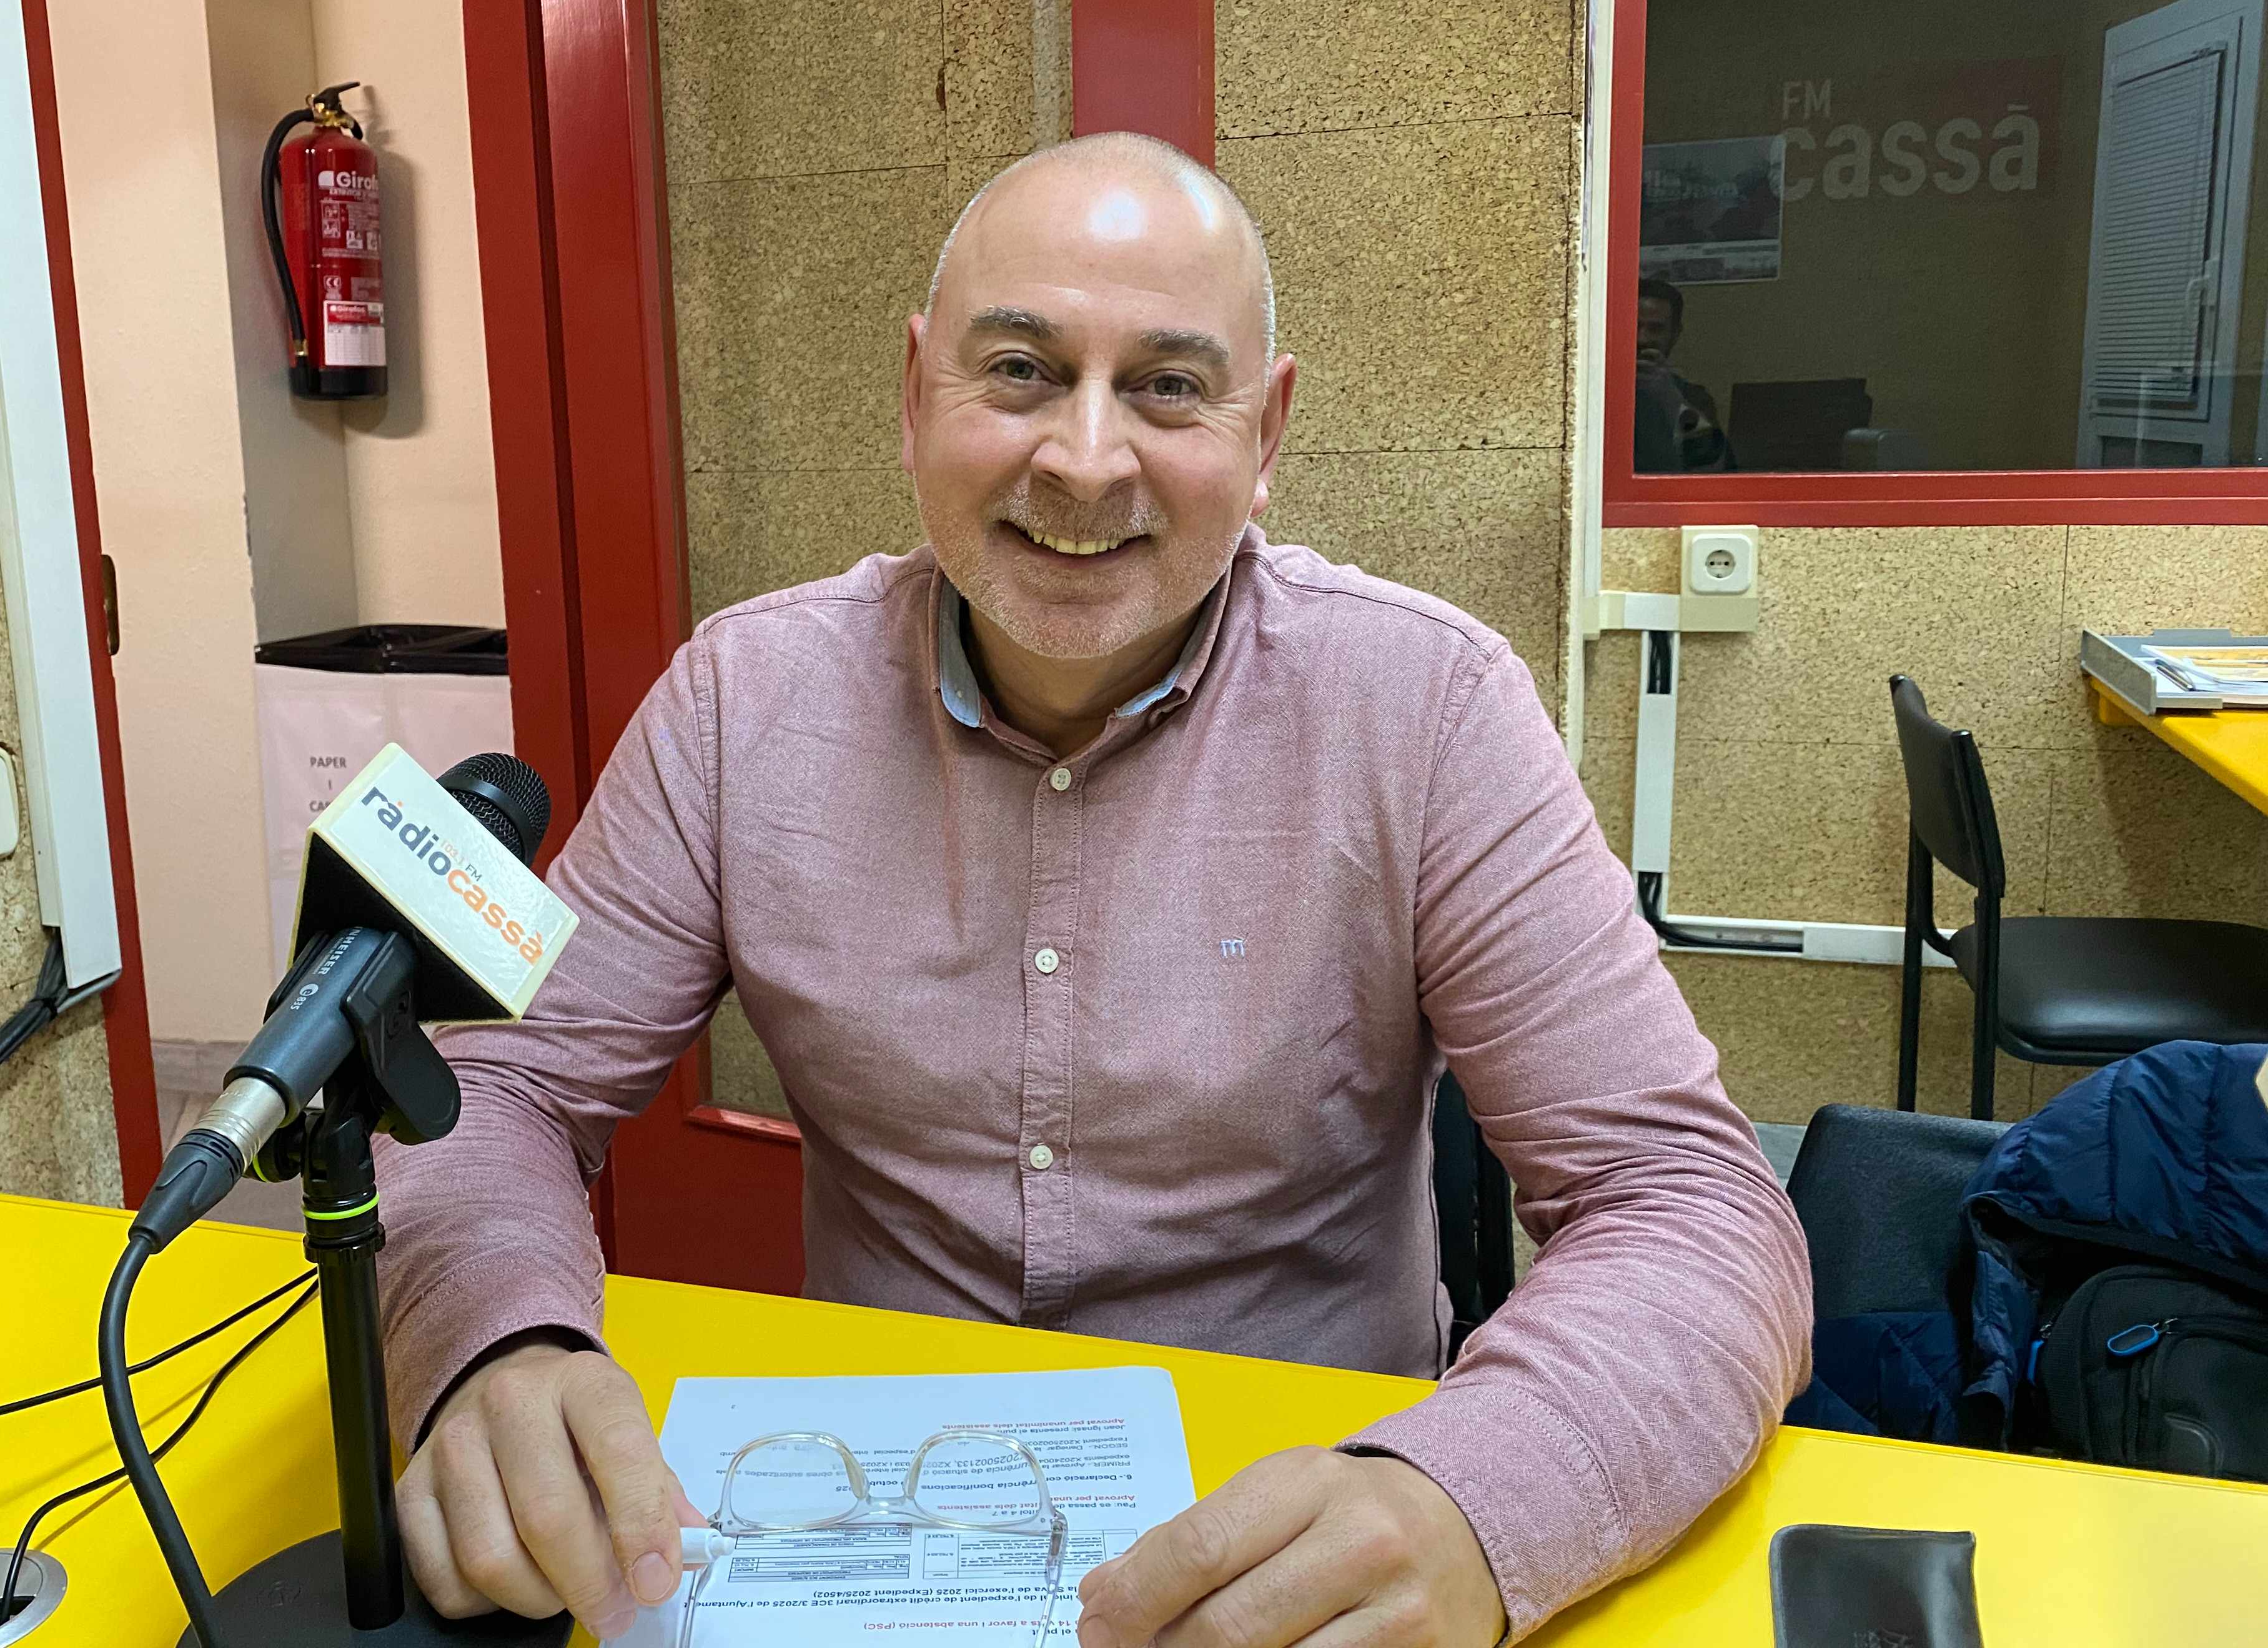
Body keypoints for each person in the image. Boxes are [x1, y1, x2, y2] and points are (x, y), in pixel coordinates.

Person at [372, 134, 1811, 1647]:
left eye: (1171, 388)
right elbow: (501, 1085)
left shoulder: (1430, 709)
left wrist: (1473, 1500)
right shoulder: (743, 702)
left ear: (1269, 430)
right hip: (873, 1543)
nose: (1083, 459)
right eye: (1020, 371)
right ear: (915, 390)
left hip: (1303, 1550)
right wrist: (494, 1340)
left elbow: (1688, 1206)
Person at [1633, 276, 1735, 472]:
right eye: (1635, 326)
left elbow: (1713, 465)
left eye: (1655, 329)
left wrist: (1670, 398)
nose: (1642, 339)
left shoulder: (1692, 397)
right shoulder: (1595, 388)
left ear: (1674, 334)